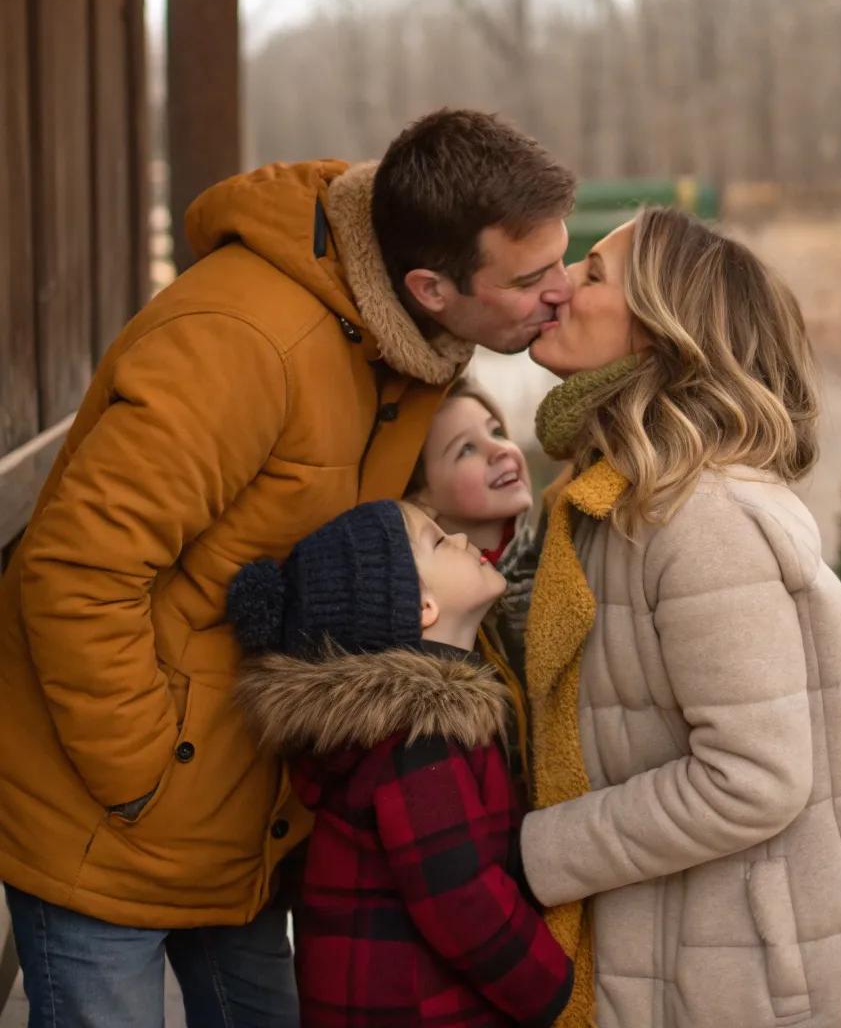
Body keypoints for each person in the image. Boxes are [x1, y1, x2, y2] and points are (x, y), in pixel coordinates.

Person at [0, 108, 574, 1028]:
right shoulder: (240, 343)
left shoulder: (409, 346)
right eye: (533, 276)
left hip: (252, 808)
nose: (565, 289)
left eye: (564, 259)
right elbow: (76, 568)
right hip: (110, 816)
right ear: (430, 285)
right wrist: (148, 773)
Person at [520, 207, 841, 1028]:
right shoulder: (619, 495)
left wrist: (539, 850)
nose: (561, 289)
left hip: (782, 976)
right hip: (717, 942)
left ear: (660, 332)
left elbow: (752, 778)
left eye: (594, 275)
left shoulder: (699, 519)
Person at [226, 498, 573, 1028]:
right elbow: (462, 900)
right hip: (419, 1009)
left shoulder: (406, 731)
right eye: (437, 540)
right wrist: (552, 986)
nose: (459, 539)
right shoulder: (418, 743)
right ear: (421, 607)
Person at [409, 377, 539, 676]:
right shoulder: (432, 610)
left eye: (496, 431)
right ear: (421, 496)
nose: (500, 450)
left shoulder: (560, 557)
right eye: (466, 449)